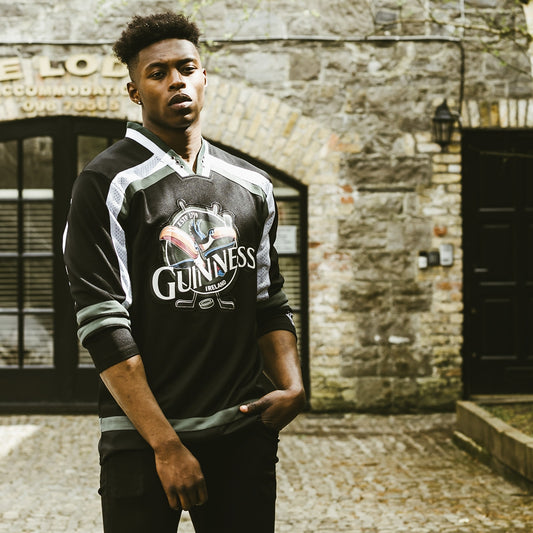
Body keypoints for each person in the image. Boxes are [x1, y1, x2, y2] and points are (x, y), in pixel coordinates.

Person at [63, 10, 306, 533]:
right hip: (144, 441)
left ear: (203, 76)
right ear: (135, 91)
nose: (176, 80)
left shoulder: (252, 186)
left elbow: (268, 302)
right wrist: (166, 445)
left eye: (187, 67)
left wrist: (292, 385)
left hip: (240, 433)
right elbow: (105, 329)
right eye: (158, 73)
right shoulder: (108, 183)